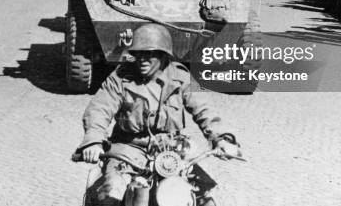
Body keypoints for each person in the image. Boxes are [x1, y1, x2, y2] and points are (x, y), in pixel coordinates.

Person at [76, 24, 239, 206]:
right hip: (128, 148)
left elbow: (205, 110)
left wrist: (221, 139)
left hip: (171, 150)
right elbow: (100, 109)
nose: (142, 60)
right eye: (138, 54)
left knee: (204, 196)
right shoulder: (121, 78)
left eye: (149, 54)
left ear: (163, 55)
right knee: (111, 193)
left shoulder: (180, 77)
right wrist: (94, 141)